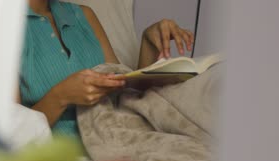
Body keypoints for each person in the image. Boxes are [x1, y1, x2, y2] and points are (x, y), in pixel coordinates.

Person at [19, 0, 194, 137]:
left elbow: (122, 91)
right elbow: (11, 134)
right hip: (60, 158)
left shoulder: (83, 15)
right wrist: (61, 97)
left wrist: (148, 43)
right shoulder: (3, 30)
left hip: (119, 138)